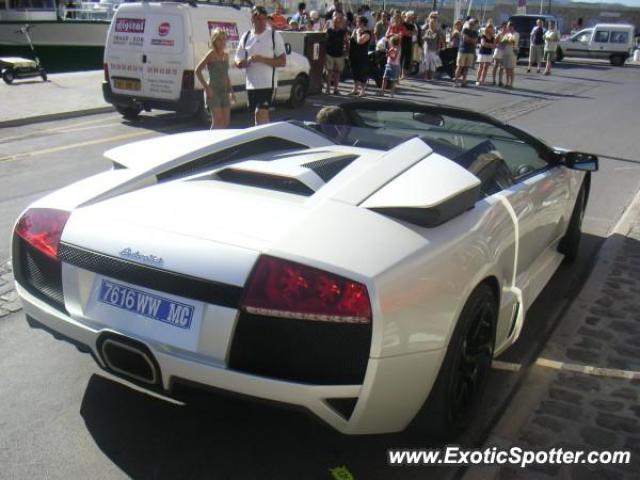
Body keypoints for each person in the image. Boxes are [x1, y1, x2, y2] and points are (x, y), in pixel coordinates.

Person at [235, 5, 286, 125]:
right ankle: (264, 137)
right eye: (258, 19)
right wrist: (244, 62)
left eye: (264, 19)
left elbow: (282, 61)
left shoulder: (274, 35)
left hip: (267, 83)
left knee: (261, 113)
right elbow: (237, 59)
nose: (262, 22)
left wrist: (262, 59)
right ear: (252, 19)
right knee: (258, 117)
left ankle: (264, 141)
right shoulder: (246, 36)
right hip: (251, 84)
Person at [196, 28, 235, 129]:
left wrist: (231, 91)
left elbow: (226, 75)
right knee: (217, 120)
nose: (222, 42)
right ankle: (212, 140)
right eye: (219, 40)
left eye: (223, 39)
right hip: (213, 90)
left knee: (226, 121)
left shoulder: (226, 56)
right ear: (214, 41)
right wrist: (206, 87)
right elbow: (198, 70)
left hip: (224, 91)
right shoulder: (211, 54)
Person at [324, 11, 348, 95]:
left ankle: (336, 89)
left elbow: (346, 41)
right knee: (329, 71)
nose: (338, 21)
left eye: (339, 19)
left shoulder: (343, 31)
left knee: (337, 72)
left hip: (339, 54)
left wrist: (346, 52)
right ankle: (328, 89)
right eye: (336, 19)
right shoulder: (329, 30)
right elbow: (324, 39)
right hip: (329, 53)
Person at [349, 15, 371, 96]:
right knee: (354, 72)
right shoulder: (355, 30)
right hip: (353, 54)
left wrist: (358, 33)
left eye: (357, 21)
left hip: (362, 56)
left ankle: (363, 91)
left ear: (362, 23)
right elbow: (351, 40)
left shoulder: (367, 33)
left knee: (362, 73)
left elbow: (360, 41)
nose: (356, 23)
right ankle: (355, 89)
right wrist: (354, 33)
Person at [454, 18, 479, 87]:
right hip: (463, 50)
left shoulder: (475, 32)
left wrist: (471, 40)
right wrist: (472, 40)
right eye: (470, 24)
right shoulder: (465, 30)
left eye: (473, 24)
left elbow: (475, 41)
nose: (472, 25)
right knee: (459, 67)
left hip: (470, 51)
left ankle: (464, 81)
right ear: (468, 24)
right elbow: (465, 39)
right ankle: (456, 81)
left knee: (466, 67)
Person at [422, 12, 444, 81]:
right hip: (426, 48)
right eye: (431, 23)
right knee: (426, 63)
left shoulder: (438, 31)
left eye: (434, 23)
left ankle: (431, 77)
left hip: (434, 49)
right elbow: (422, 38)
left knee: (432, 64)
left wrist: (438, 49)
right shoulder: (426, 30)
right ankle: (425, 77)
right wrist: (425, 37)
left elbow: (439, 40)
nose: (432, 24)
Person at [500, 21, 517, 89]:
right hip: (505, 53)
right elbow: (502, 43)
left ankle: (511, 83)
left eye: (511, 26)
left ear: (513, 27)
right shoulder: (506, 34)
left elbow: (513, 42)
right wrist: (505, 41)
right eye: (508, 26)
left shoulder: (516, 34)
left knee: (511, 69)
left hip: (512, 53)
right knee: (506, 69)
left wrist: (507, 41)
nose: (509, 27)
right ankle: (507, 82)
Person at [400, 11, 417, 79]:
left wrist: (409, 33)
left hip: (409, 43)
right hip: (402, 43)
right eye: (410, 16)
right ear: (406, 16)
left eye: (411, 17)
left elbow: (415, 33)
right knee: (401, 58)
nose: (411, 18)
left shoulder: (412, 25)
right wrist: (410, 33)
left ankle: (403, 74)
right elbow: (404, 33)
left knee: (407, 59)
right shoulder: (402, 24)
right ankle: (399, 73)